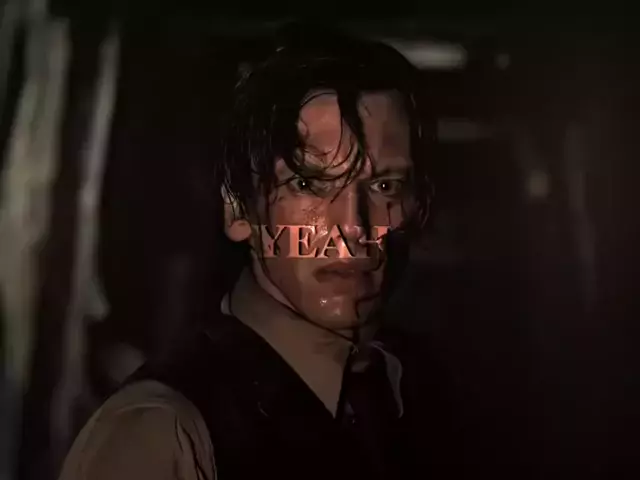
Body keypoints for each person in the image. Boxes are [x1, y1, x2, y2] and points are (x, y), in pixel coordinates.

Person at [58, 22, 461, 480]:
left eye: (385, 186)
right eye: (308, 184)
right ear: (239, 209)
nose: (352, 226)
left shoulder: (414, 395)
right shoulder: (165, 433)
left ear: (420, 207)